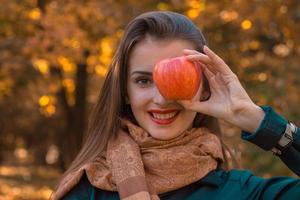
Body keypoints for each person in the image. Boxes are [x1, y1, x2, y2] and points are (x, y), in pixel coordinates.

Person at [51, 11, 300, 200]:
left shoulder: (240, 192)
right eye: (143, 80)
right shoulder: (88, 189)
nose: (161, 98)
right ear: (125, 91)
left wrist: (254, 119)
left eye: (177, 81)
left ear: (204, 87)